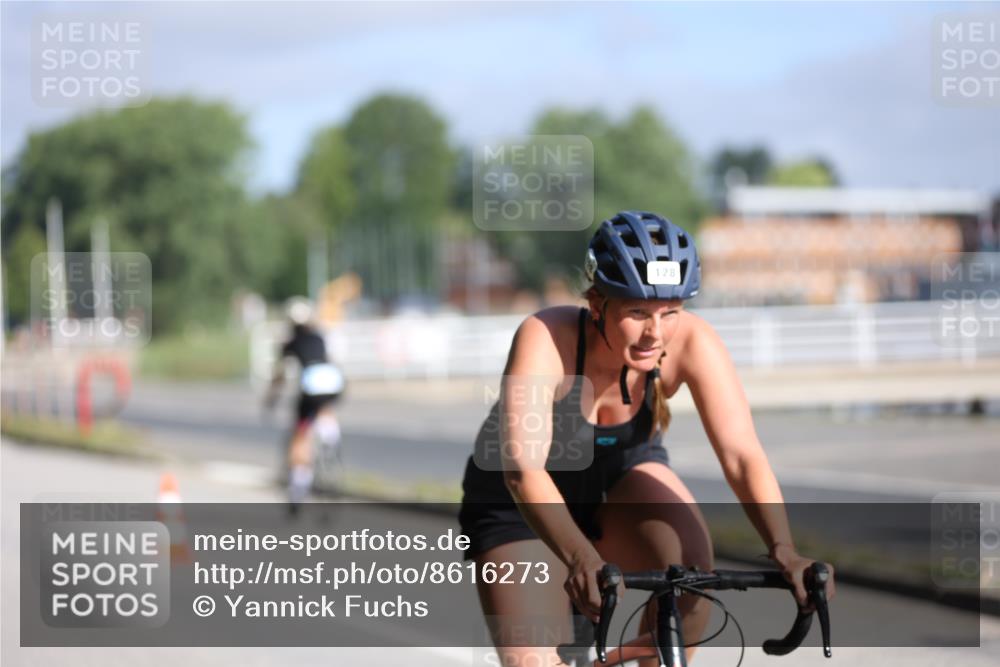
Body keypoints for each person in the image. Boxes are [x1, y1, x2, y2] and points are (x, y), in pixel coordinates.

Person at [458, 211, 836, 665]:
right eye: (637, 312)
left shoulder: (692, 342)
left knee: (692, 573)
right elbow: (524, 471)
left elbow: (741, 454)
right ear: (597, 304)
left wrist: (784, 550)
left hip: (621, 478)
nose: (655, 332)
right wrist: (580, 556)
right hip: (520, 502)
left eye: (670, 312)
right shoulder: (546, 336)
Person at [264, 297, 346, 515]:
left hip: (310, 382)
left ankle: (298, 489)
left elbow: (279, 376)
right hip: (331, 379)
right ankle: (330, 438)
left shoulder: (290, 342)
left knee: (301, 434)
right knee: (325, 409)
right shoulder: (319, 336)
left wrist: (271, 399)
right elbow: (330, 359)